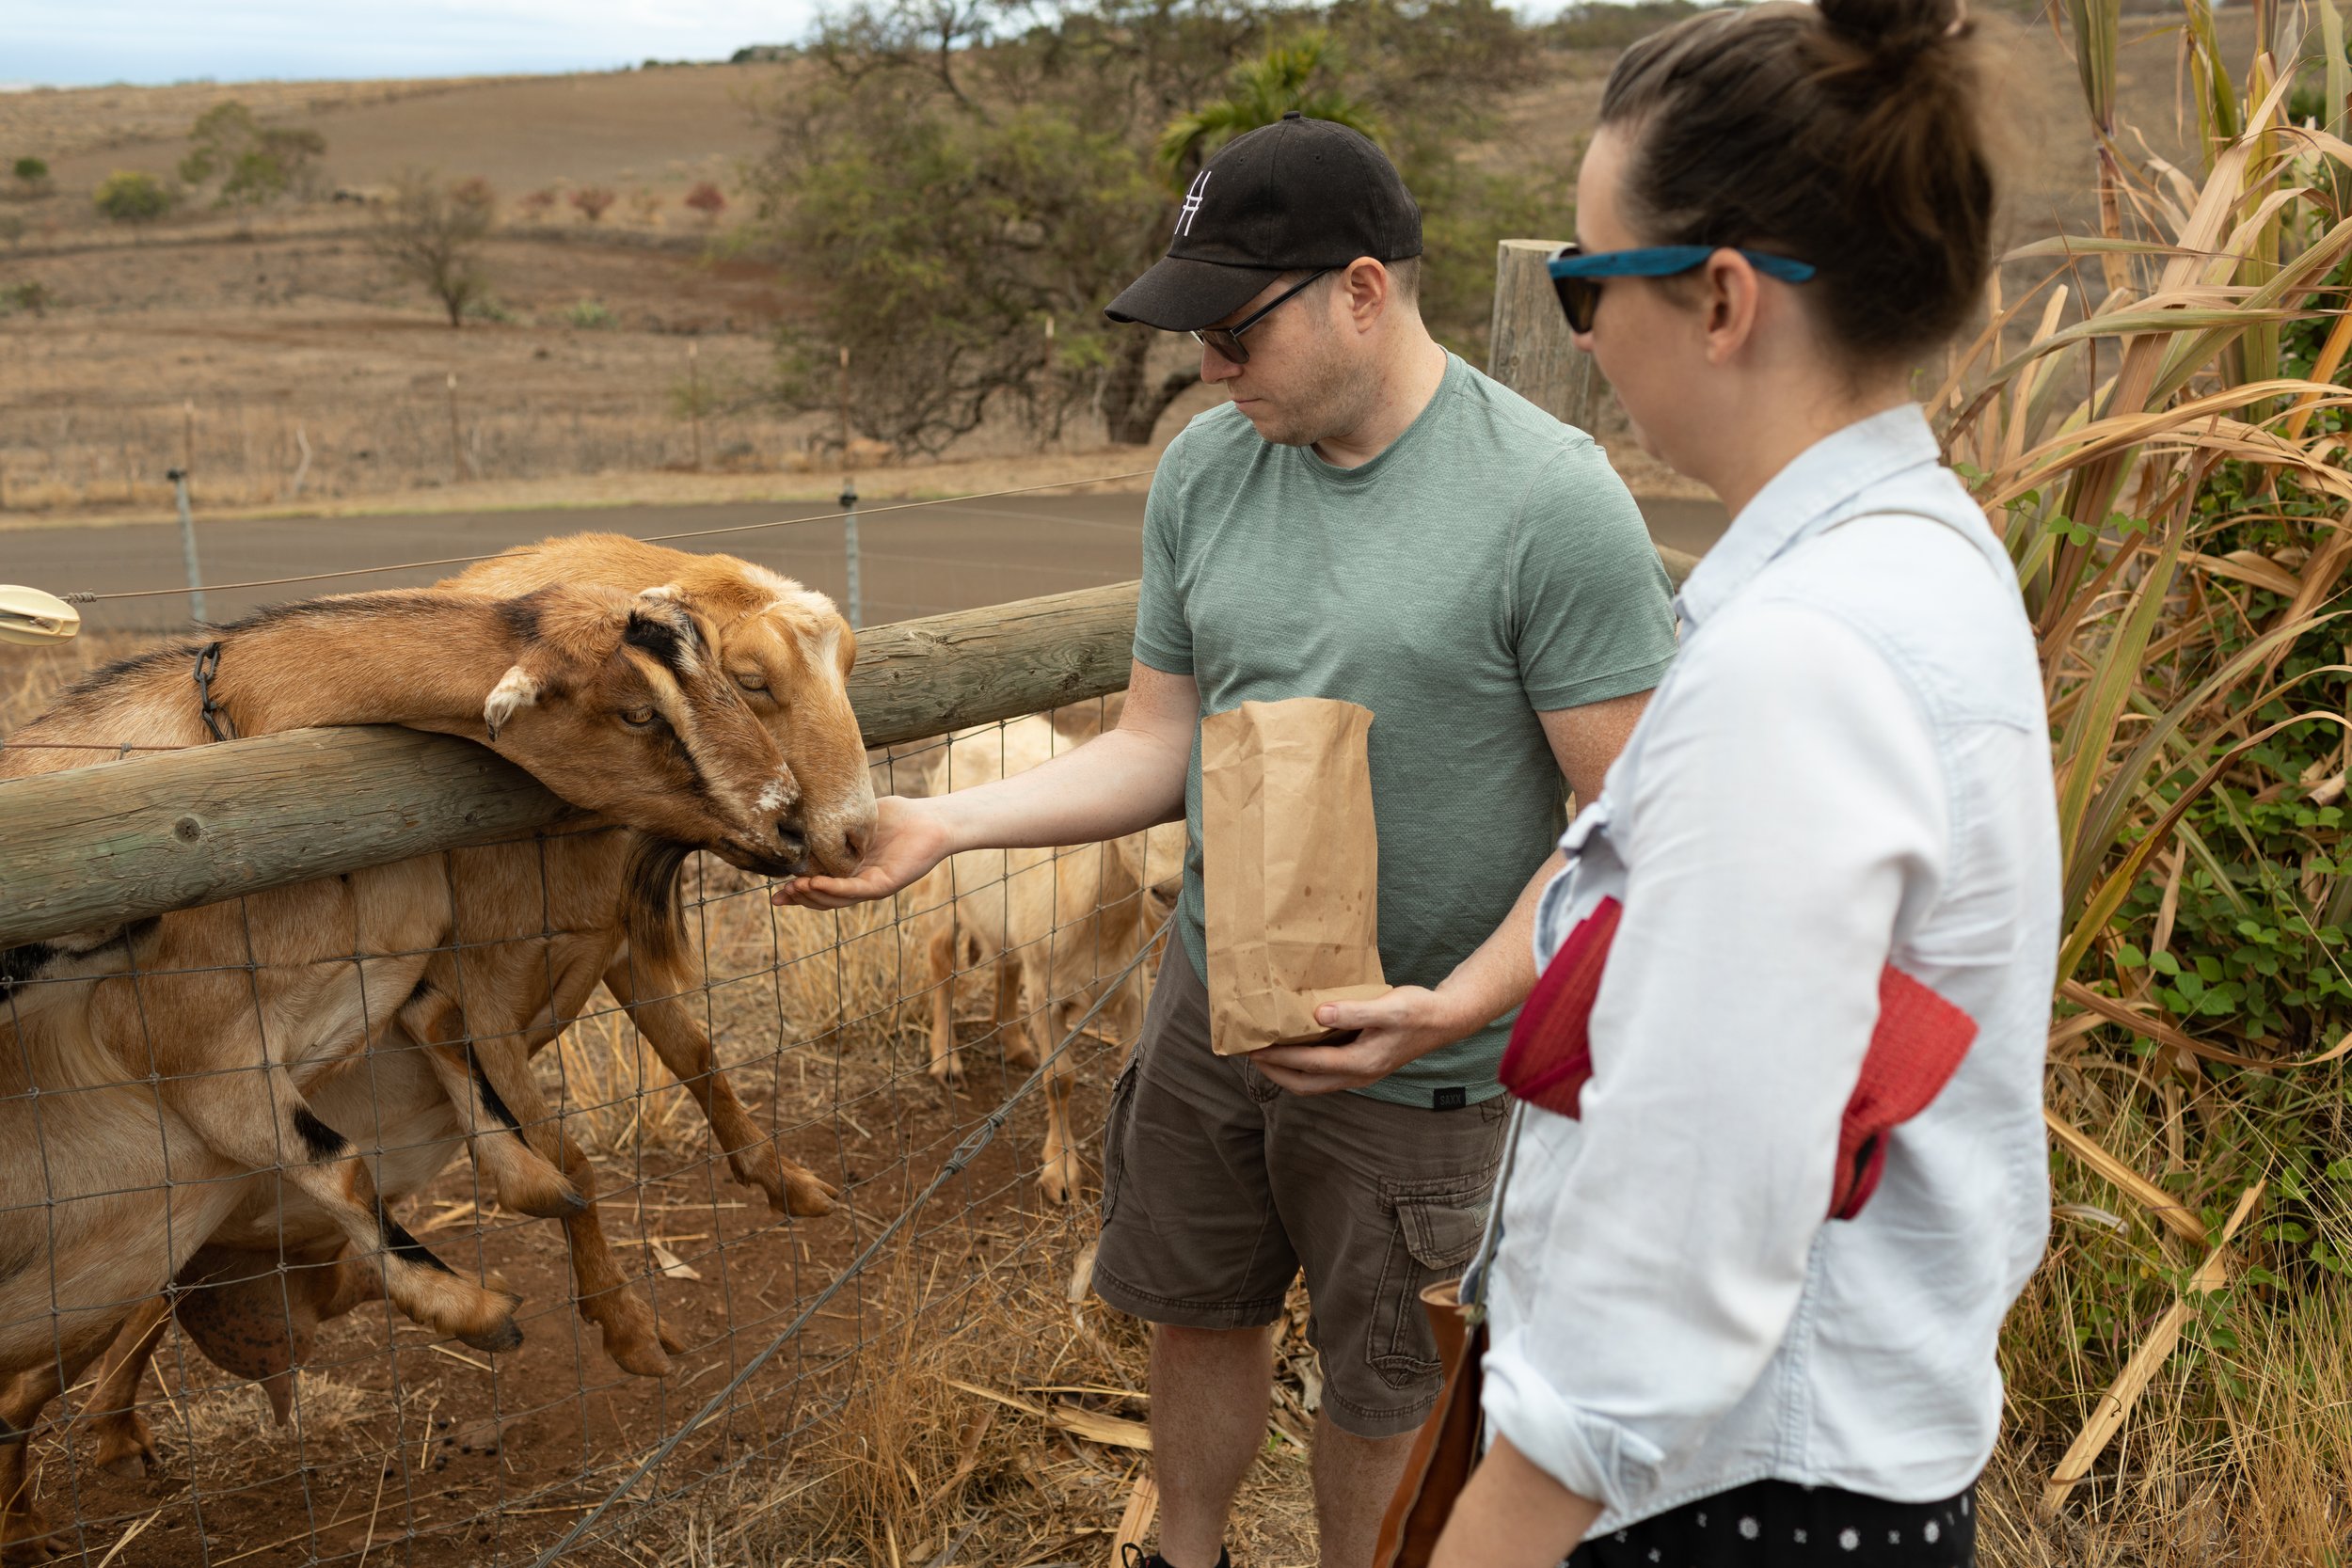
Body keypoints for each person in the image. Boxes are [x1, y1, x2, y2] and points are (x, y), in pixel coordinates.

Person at [772, 113, 1678, 1567]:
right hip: (1210, 1012)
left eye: (1235, 328)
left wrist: (1452, 1006)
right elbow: (1156, 742)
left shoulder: (1548, 503)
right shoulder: (1206, 472)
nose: (1206, 364)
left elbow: (1628, 829)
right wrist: (938, 824)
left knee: (1385, 1379)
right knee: (1195, 1308)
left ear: (1363, 292)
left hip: (1424, 1059)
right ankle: (1180, 1552)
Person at [1425, 1, 2058, 1564]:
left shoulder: (1800, 661)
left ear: (1719, 299)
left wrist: (1500, 1523)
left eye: (1587, 280)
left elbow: (1696, 1198)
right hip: (1844, 1451)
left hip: (1734, 1493)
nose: (1579, 327)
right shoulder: (1923, 565)